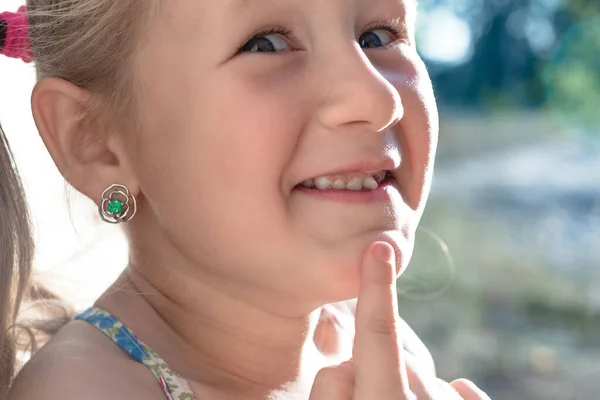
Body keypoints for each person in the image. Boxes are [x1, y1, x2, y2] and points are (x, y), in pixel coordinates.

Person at [0, 1, 491, 399]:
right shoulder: (83, 391)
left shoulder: (379, 349)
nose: (376, 98)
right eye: (267, 43)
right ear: (97, 141)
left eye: (378, 36)